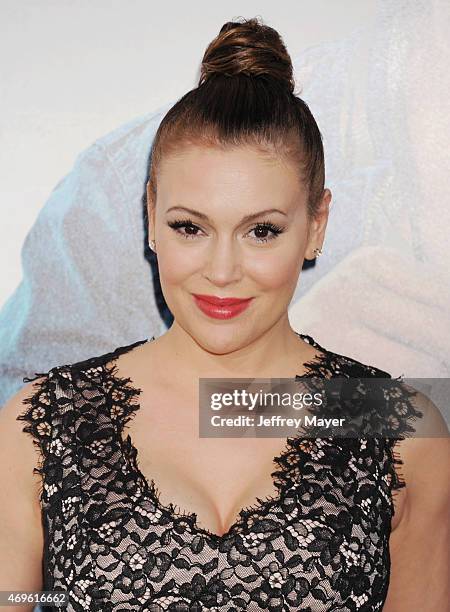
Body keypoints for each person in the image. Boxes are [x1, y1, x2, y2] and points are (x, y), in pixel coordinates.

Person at [0, 16, 448, 612]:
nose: (221, 270)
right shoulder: (44, 422)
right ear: (150, 214)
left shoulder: (398, 427)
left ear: (317, 226)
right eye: (191, 227)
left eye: (262, 230)